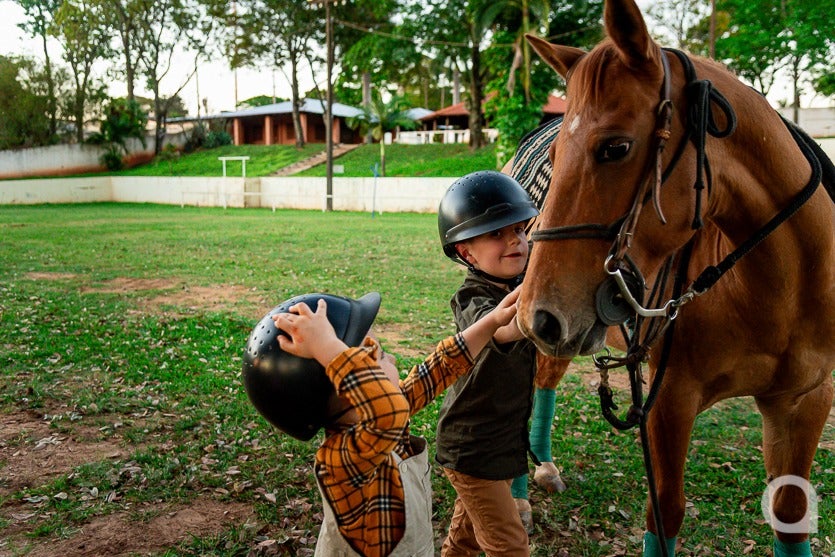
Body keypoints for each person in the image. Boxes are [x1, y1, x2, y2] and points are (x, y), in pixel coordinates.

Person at [241, 288, 521, 557]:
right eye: (378, 355)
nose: (394, 357)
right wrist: (326, 347)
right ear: (347, 386)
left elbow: (438, 368)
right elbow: (386, 415)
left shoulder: (381, 417)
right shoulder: (341, 460)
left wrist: (493, 321)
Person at [435, 170, 541, 556]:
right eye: (497, 233)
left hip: (498, 446)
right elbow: (501, 328)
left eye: (519, 230)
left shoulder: (520, 285)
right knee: (509, 546)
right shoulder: (471, 299)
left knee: (463, 540)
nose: (515, 240)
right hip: (472, 449)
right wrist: (538, 298)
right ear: (466, 252)